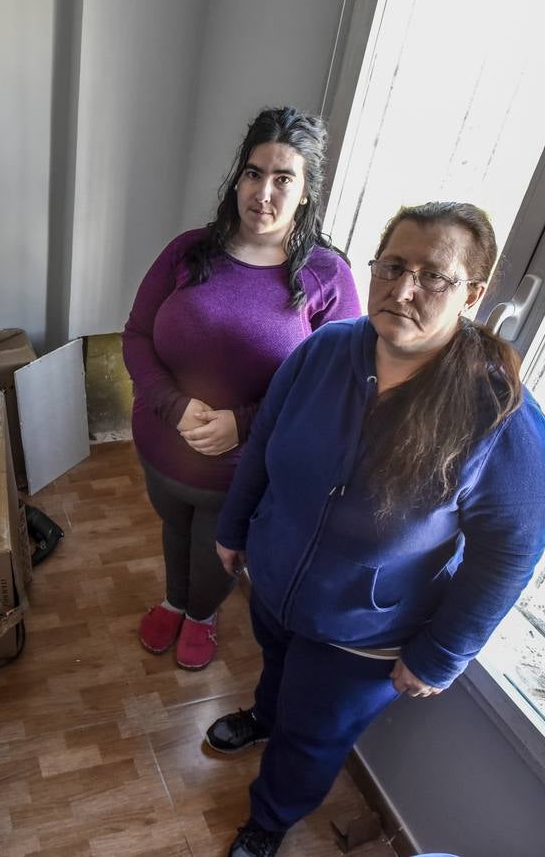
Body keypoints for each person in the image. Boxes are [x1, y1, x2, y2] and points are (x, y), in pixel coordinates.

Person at [207, 203, 545, 857]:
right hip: (277, 580)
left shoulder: (499, 422)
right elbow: (262, 445)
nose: (403, 290)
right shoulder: (323, 351)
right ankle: (264, 715)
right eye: (393, 266)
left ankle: (269, 819)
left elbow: (510, 552)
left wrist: (440, 654)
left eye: (434, 277)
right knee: (278, 668)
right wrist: (235, 529)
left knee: (312, 737)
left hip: (362, 635)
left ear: (474, 294)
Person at [122, 107, 359, 670]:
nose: (264, 193)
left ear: (306, 192)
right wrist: (174, 407)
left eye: (284, 179)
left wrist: (243, 423)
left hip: (244, 470)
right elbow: (134, 336)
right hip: (161, 446)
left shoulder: (326, 276)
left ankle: (201, 614)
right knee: (174, 530)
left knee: (216, 553)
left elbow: (331, 391)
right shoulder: (188, 251)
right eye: (254, 174)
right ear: (237, 178)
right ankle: (174, 599)